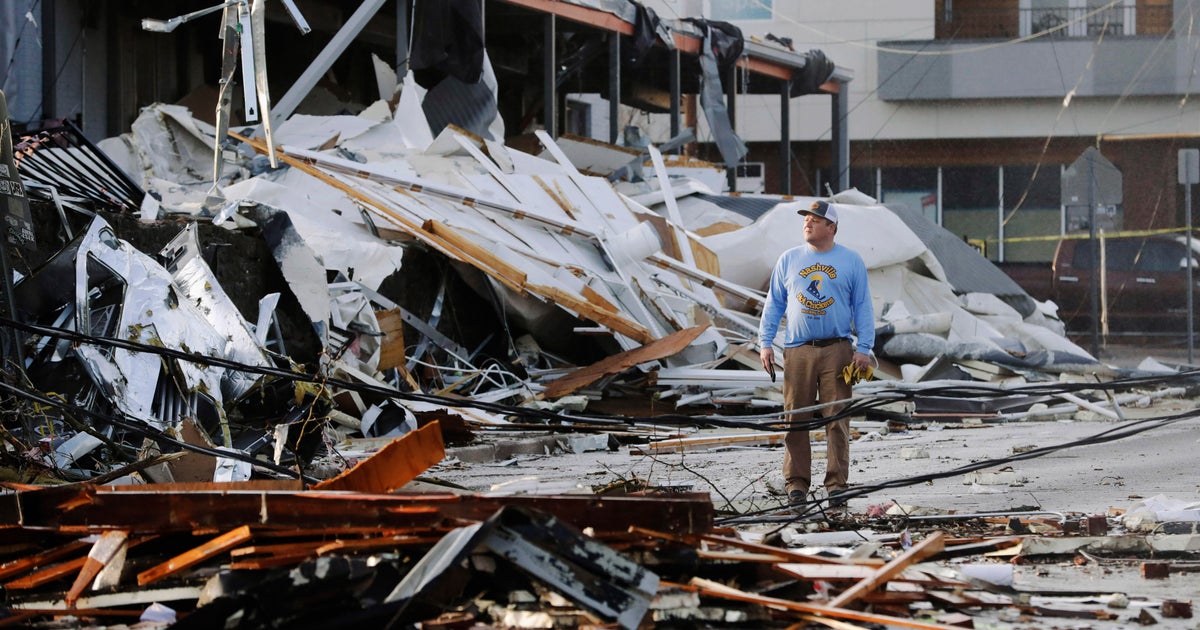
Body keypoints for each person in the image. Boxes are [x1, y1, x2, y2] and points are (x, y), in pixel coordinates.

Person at [758, 200, 875, 507]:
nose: (807, 224)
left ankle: (837, 484)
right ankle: (796, 483)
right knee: (795, 418)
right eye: (806, 219)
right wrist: (765, 341)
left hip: (837, 349)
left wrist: (863, 348)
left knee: (837, 419)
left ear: (832, 228)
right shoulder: (789, 259)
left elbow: (863, 306)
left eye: (816, 220)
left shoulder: (850, 261)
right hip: (798, 350)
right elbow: (774, 304)